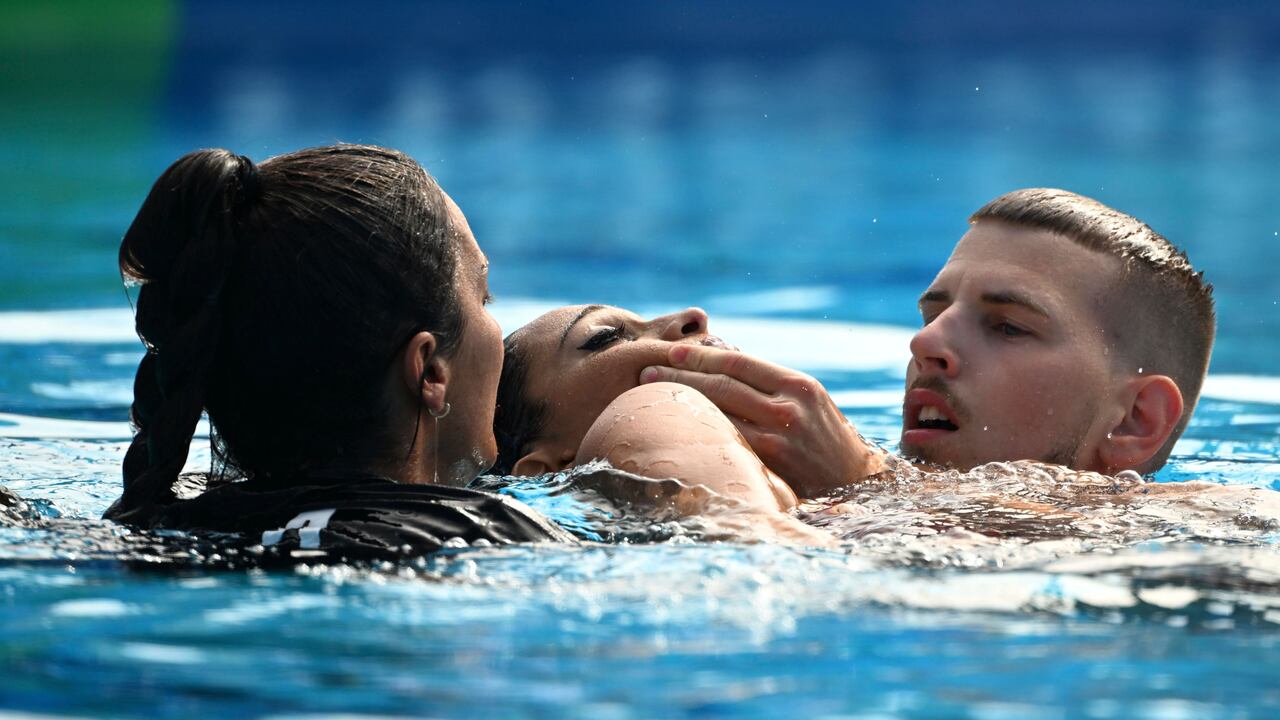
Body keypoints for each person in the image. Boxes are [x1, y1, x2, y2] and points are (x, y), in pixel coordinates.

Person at [105, 144, 571, 563]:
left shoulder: (160, 515)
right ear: (429, 371)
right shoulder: (490, 534)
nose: (497, 326)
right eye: (484, 297)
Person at [637, 188, 1216, 491]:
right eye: (931, 316)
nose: (926, 344)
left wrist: (861, 482)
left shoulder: (1217, 527)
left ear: (1136, 420)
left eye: (1009, 327)